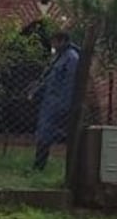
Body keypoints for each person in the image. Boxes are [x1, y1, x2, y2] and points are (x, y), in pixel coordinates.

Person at [30, 32, 80, 171]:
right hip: (49, 101)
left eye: (55, 42)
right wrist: (36, 91)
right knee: (43, 133)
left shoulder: (72, 58)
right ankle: (38, 165)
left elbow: (70, 84)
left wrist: (64, 104)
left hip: (59, 102)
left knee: (48, 133)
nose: (53, 45)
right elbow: (48, 79)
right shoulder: (58, 57)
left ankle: (40, 166)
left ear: (63, 41)